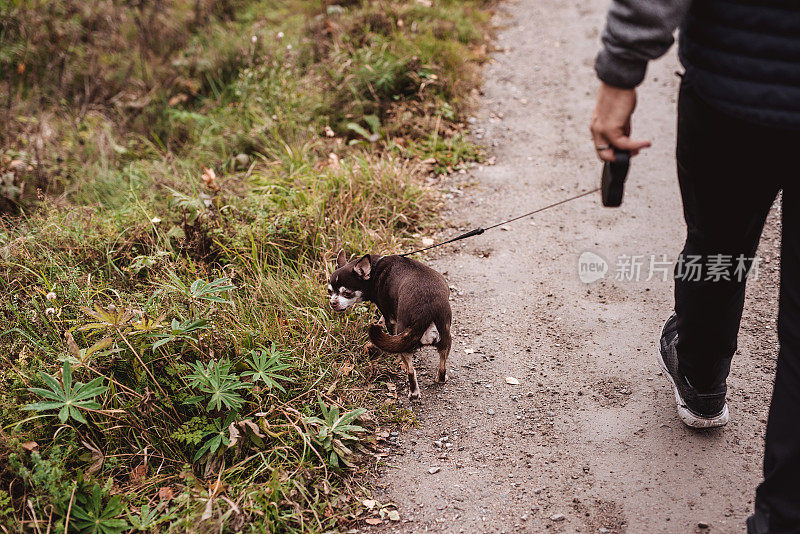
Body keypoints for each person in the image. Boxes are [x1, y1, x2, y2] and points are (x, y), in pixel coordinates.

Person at [589, 1, 800, 532]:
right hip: (735, 82)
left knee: (718, 253)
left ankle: (702, 380)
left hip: (735, 89)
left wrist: (620, 74)